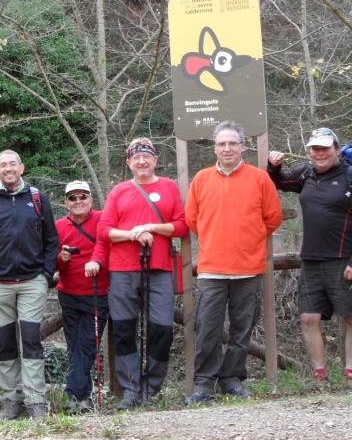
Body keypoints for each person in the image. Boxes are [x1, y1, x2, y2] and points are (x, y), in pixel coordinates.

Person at [185, 121, 282, 404]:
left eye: (232, 143)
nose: (227, 148)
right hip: (212, 268)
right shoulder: (201, 179)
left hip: (248, 268)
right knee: (207, 328)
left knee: (241, 330)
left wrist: (247, 239)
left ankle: (232, 379)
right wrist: (219, 237)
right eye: (221, 144)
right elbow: (193, 220)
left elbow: (272, 217)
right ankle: (204, 383)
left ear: (243, 146)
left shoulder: (259, 179)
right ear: (214, 147)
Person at [97, 138, 187, 409]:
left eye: (147, 156)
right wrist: (132, 234)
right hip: (123, 270)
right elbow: (104, 230)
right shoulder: (119, 191)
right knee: (124, 329)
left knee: (162, 328)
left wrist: (152, 227)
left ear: (155, 160)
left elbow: (182, 226)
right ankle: (130, 389)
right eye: (136, 158)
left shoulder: (169, 187)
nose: (142, 161)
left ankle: (151, 386)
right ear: (129, 163)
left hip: (159, 268)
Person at [0, 150, 58, 420]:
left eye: (12, 164)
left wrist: (45, 275)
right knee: (5, 344)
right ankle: (11, 401)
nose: (8, 169)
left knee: (31, 341)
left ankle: (36, 401)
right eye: (3, 165)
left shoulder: (37, 199)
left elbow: (52, 241)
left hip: (32, 282)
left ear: (22, 167)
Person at [268, 126, 352, 387]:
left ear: (336, 149)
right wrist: (274, 167)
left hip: (343, 257)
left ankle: (350, 372)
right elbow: (279, 183)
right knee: (309, 317)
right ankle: (320, 375)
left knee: (350, 316)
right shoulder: (306, 174)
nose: (320, 153)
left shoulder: (350, 176)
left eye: (325, 148)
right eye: (315, 149)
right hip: (312, 259)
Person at [55, 180, 109, 411]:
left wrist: (96, 261)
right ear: (66, 203)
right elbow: (53, 262)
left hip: (96, 292)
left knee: (87, 345)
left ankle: (72, 394)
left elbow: (106, 247)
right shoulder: (58, 226)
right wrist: (62, 259)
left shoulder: (102, 220)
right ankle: (83, 398)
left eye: (83, 197)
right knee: (74, 345)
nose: (78, 202)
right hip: (68, 293)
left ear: (91, 199)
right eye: (73, 198)